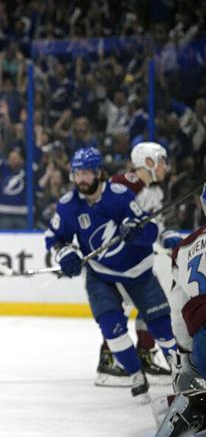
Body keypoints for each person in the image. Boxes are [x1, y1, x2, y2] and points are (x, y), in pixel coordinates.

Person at [44, 146, 177, 403]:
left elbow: (148, 232)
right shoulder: (69, 205)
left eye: (86, 173)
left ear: (98, 173)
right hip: (101, 274)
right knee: (110, 325)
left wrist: (136, 231)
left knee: (162, 325)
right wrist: (64, 254)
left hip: (138, 271)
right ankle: (136, 374)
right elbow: (54, 238)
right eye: (76, 173)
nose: (81, 178)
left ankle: (182, 373)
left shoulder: (119, 195)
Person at [93, 142, 183, 386]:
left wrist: (165, 237)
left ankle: (144, 352)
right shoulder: (125, 183)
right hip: (114, 262)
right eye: (161, 160)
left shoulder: (154, 191)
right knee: (114, 310)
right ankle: (109, 358)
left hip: (138, 260)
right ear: (149, 162)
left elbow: (153, 226)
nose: (166, 166)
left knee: (151, 307)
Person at [155, 183, 206, 436]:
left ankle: (192, 405)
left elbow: (177, 310)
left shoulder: (185, 247)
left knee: (192, 375)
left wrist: (186, 356)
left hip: (202, 342)